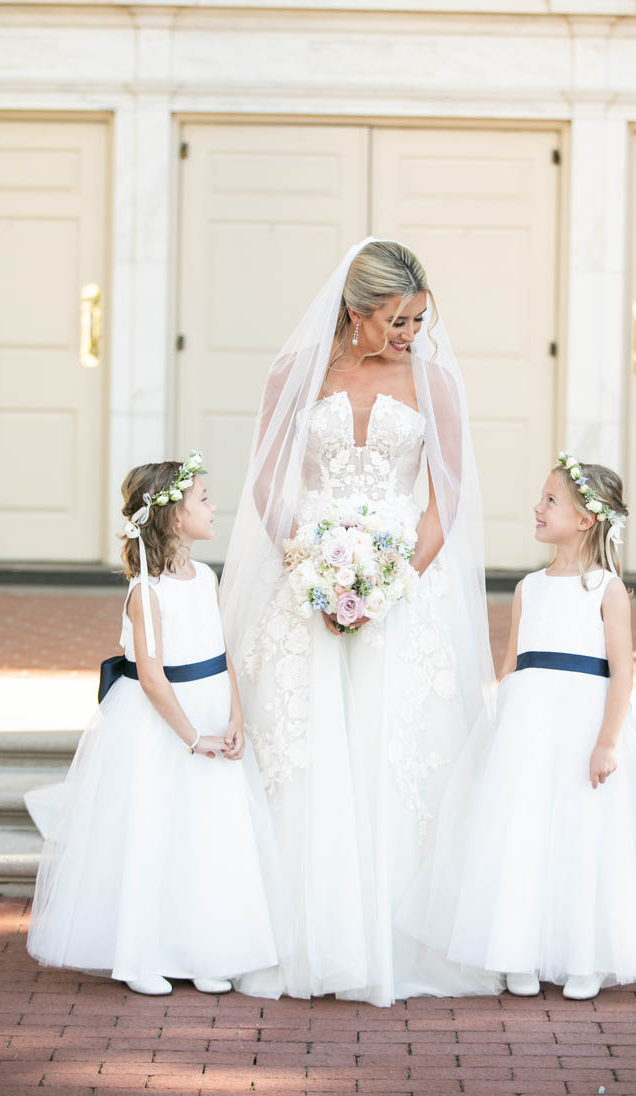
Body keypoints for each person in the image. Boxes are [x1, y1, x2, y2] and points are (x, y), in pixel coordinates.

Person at [220, 238, 500, 1006]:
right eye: (397, 320)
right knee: (303, 755)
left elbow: (448, 498)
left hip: (400, 589)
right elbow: (267, 481)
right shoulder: (296, 374)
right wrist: (307, 568)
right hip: (305, 582)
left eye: (418, 319)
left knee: (391, 755)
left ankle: (386, 937)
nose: (410, 333)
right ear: (355, 311)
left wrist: (393, 582)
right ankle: (298, 936)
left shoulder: (433, 381)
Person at [414, 453, 636, 999]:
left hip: (584, 722)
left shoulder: (605, 589)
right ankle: (516, 949)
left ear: (585, 519)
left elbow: (622, 673)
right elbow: (512, 662)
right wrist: (496, 722)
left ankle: (585, 955)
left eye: (550, 501)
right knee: (520, 833)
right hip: (529, 726)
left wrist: (608, 741)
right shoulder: (529, 587)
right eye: (541, 499)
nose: (537, 508)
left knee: (582, 834)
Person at [26, 454, 283, 996]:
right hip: (167, 730)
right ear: (172, 517)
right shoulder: (148, 592)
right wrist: (193, 738)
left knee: (206, 837)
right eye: (204, 500)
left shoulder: (206, 577)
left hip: (212, 713)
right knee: (156, 833)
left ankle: (203, 949)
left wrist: (235, 716)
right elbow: (150, 676)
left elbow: (223, 653)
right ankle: (141, 955)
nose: (214, 508)